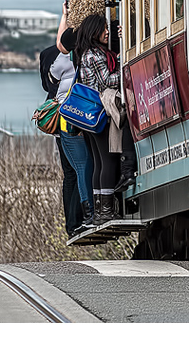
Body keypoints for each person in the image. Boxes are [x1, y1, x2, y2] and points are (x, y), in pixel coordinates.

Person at [75, 13, 122, 224]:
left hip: (89, 115)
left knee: (98, 163)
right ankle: (106, 211)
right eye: (103, 28)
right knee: (108, 161)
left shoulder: (85, 53)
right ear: (94, 31)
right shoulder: (95, 55)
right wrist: (126, 67)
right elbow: (106, 82)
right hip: (101, 111)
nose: (106, 32)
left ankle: (98, 212)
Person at [54, 0, 95, 233]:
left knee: (77, 169)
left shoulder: (73, 39)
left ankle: (81, 217)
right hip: (93, 108)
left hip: (72, 113)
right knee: (88, 163)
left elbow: (61, 43)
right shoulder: (98, 35)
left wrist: (65, 16)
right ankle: (89, 211)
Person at [39, 43, 83, 237]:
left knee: (69, 174)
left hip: (58, 122)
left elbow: (46, 85)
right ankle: (79, 219)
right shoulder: (79, 54)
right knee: (80, 169)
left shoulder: (47, 54)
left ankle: (71, 224)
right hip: (74, 119)